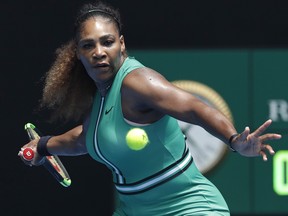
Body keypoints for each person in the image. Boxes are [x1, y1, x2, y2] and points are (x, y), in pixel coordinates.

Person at [18, 1, 282, 215]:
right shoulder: (101, 96)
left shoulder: (137, 82)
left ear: (121, 44)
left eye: (107, 42)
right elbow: (86, 138)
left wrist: (234, 141)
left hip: (190, 208)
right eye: (89, 45)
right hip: (133, 210)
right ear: (78, 52)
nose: (99, 51)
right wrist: (43, 146)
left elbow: (193, 107)